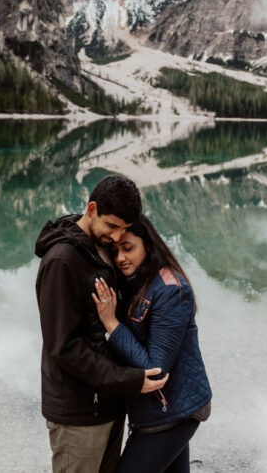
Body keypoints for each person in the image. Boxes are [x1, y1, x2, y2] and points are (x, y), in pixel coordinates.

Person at [35, 175, 170, 473]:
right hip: (79, 412)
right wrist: (130, 380)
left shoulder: (100, 248)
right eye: (111, 226)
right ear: (92, 208)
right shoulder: (62, 261)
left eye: (123, 230)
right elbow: (64, 347)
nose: (116, 236)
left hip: (109, 404)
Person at [91, 215, 211, 473]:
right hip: (159, 410)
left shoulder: (171, 290)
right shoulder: (136, 283)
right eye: (115, 251)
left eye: (128, 247)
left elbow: (156, 369)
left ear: (148, 244)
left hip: (172, 412)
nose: (121, 257)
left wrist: (112, 324)